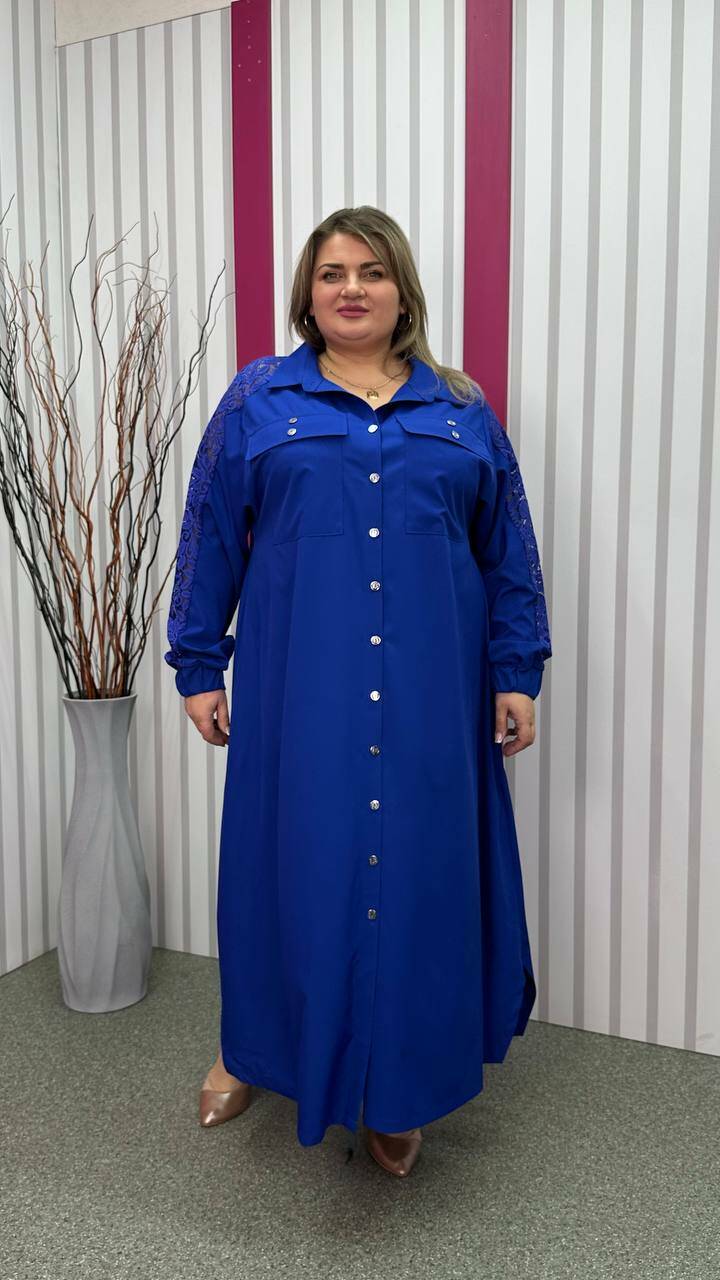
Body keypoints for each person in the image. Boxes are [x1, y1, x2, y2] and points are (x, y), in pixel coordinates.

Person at [164, 205, 552, 1178]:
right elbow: (209, 529)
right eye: (332, 272)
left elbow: (508, 550)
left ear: (401, 292)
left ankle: (399, 1086)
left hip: (432, 698)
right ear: (308, 293)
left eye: (371, 272)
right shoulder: (259, 400)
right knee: (289, 868)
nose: (351, 288)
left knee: (417, 881)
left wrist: (517, 671)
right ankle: (251, 1050)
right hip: (301, 693)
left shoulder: (461, 410)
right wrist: (197, 661)